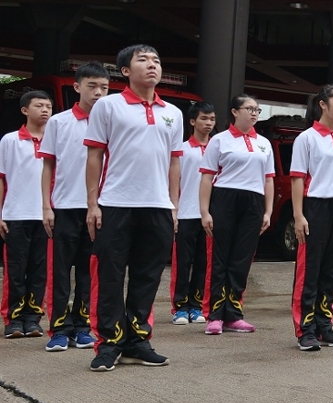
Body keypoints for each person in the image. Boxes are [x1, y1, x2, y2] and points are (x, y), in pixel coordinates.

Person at [83, 45, 182, 371]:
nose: (152, 65)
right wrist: (93, 204)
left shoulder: (173, 113)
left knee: (147, 276)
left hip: (157, 207)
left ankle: (138, 341)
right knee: (109, 276)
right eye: (143, 60)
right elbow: (94, 156)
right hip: (115, 204)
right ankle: (108, 344)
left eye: (156, 60)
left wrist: (174, 206)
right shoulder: (109, 106)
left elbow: (173, 163)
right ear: (125, 70)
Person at [39, 62, 111, 351]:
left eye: (104, 88)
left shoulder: (112, 124)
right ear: (77, 87)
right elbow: (47, 166)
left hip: (100, 208)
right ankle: (58, 328)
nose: (98, 93)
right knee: (59, 272)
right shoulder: (59, 122)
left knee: (87, 270)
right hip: (65, 207)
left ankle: (81, 326)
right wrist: (46, 206)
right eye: (92, 86)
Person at [290, 84, 333, 351]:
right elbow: (297, 178)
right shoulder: (306, 138)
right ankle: (305, 329)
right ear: (322, 104)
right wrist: (298, 215)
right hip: (315, 205)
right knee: (310, 270)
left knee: (331, 270)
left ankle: (324, 326)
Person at [199, 94, 273, 334]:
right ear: (234, 111)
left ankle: (234, 313)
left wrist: (268, 211)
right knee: (220, 258)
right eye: (249, 108)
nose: (253, 113)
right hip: (225, 199)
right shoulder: (219, 141)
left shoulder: (264, 143)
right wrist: (205, 211)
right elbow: (207, 177)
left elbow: (268, 180)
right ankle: (215, 315)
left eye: (257, 110)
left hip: (253, 201)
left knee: (241, 259)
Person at [0, 90, 54, 339]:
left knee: (39, 269)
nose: (45, 110)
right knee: (15, 269)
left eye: (48, 106)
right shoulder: (10, 140)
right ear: (25, 110)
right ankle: (13, 319)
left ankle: (33, 319)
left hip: (46, 217)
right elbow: (2, 179)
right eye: (39, 105)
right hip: (16, 213)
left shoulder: (55, 141)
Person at [170, 101, 216, 325]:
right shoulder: (182, 149)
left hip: (209, 215)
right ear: (192, 121)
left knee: (203, 262)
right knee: (182, 262)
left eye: (212, 119)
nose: (208, 123)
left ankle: (196, 305)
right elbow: (174, 181)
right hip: (186, 212)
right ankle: (180, 307)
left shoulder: (218, 148)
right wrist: (174, 210)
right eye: (203, 119)